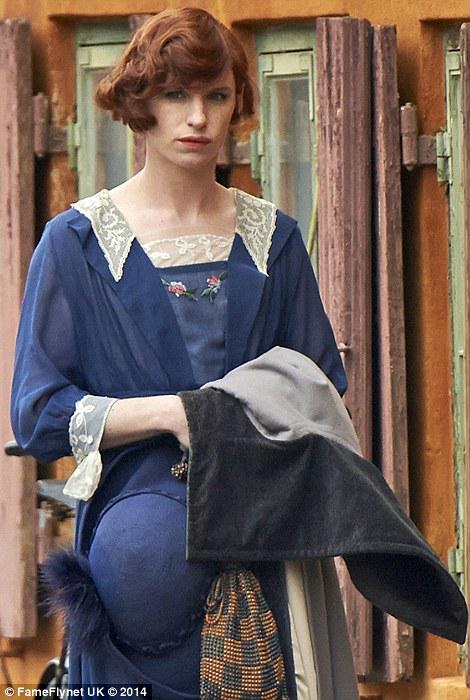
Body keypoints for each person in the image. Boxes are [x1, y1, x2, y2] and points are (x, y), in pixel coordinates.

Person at [11, 7, 352, 697]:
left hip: (260, 571)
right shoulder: (75, 244)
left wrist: (244, 422)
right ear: (139, 104)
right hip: (126, 610)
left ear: (238, 104)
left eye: (216, 96)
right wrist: (170, 413)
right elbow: (39, 415)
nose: (197, 117)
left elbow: (320, 388)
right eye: (175, 95)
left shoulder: (274, 241)